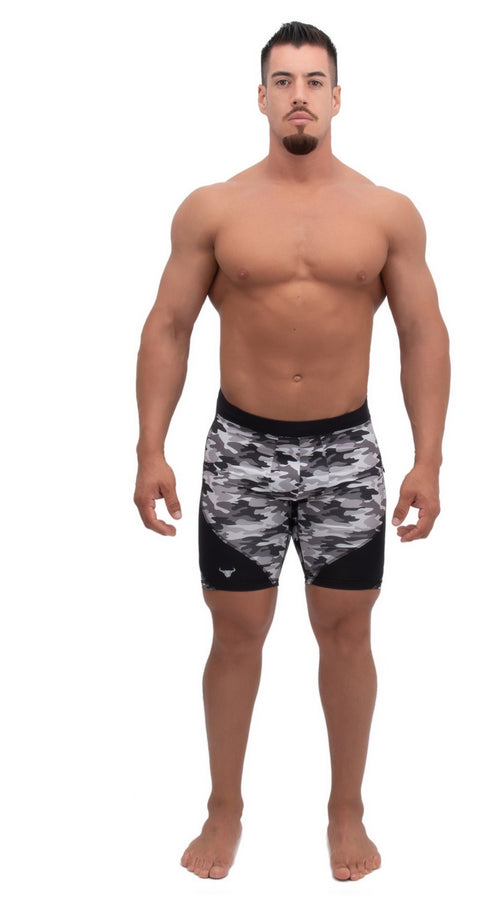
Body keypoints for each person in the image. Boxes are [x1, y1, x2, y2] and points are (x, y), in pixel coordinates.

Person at [134, 21, 450, 882]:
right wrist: (150, 446)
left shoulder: (386, 213)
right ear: (262, 97)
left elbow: (423, 333)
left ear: (337, 98)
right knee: (236, 634)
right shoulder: (214, 208)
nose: (299, 95)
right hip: (242, 448)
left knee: (347, 632)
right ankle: (223, 808)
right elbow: (168, 326)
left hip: (345, 451)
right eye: (284, 81)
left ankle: (347, 810)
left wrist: (428, 458)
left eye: (314, 81)